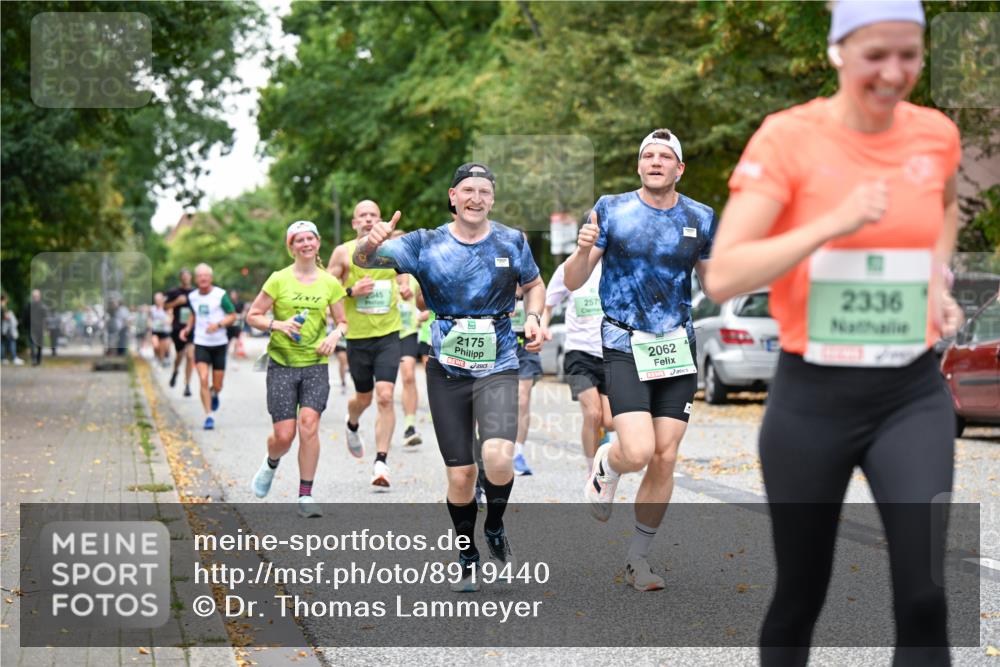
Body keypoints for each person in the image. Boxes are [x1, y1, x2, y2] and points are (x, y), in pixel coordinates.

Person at [704, 3, 961, 665]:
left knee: (927, 593)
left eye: (910, 54)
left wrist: (936, 279)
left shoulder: (934, 134)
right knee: (801, 592)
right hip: (811, 400)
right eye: (876, 55)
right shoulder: (788, 139)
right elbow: (724, 275)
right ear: (837, 51)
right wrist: (830, 223)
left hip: (911, 395)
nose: (894, 72)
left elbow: (945, 205)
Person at [353, 162, 546, 592]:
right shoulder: (425, 243)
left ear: (492, 199)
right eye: (468, 190)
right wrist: (372, 240)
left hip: (498, 360)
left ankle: (494, 524)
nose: (477, 198)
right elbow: (362, 260)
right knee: (461, 476)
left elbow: (534, 284)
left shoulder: (511, 240)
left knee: (498, 456)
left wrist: (533, 317)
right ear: (452, 196)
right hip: (447, 368)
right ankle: (466, 553)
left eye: (485, 191)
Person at [564, 128, 717, 592]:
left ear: (679, 168)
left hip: (677, 346)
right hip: (625, 343)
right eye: (647, 155)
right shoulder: (610, 209)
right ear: (639, 166)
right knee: (638, 450)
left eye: (665, 156)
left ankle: (638, 559)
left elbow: (714, 285)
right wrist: (583, 247)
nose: (655, 162)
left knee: (666, 456)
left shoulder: (701, 216)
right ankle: (608, 464)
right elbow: (573, 281)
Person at [247, 220, 348, 518]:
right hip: (282, 364)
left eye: (310, 239)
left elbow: (342, 321)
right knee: (284, 435)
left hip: (315, 364)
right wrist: (277, 324)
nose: (305, 244)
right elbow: (253, 315)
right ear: (291, 247)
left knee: (309, 425)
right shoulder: (278, 279)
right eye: (299, 240)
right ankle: (271, 462)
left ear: (318, 243)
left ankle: (306, 494)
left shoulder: (329, 282)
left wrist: (334, 336)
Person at [327, 200, 405, 489]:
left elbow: (405, 270)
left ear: (381, 220)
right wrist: (350, 290)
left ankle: (381, 463)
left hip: (388, 333)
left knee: (385, 396)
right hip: (357, 338)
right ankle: (352, 422)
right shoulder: (343, 252)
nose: (369, 219)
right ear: (354, 222)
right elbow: (324, 288)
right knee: (364, 398)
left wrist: (406, 283)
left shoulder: (393, 249)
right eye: (363, 215)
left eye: (374, 214)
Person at [544, 250, 614, 475]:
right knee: (593, 414)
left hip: (611, 354)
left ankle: (601, 437)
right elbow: (548, 303)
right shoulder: (571, 267)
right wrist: (542, 325)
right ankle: (593, 470)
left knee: (610, 421)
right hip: (579, 354)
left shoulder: (617, 266)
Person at [179, 264, 238, 430]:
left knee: (218, 385)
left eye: (206, 276)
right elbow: (193, 314)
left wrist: (218, 325)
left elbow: (233, 316)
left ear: (211, 278)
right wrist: (187, 328)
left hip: (219, 344)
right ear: (196, 279)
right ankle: (209, 416)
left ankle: (214, 393)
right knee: (203, 378)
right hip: (201, 343)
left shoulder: (220, 295)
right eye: (200, 276)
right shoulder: (192, 297)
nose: (203, 279)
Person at [391, 228, 424, 448]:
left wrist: (423, 310)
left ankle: (410, 425)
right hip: (383, 332)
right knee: (383, 388)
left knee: (409, 375)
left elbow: (426, 299)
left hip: (408, 330)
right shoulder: (379, 271)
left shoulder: (414, 272)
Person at [164, 269, 196, 396]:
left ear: (191, 277)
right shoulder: (174, 292)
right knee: (179, 355)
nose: (186, 278)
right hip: (178, 328)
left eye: (188, 275)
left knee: (190, 356)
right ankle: (175, 371)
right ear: (180, 278)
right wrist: (177, 302)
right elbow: (165, 306)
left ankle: (187, 385)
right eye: (183, 276)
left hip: (192, 328)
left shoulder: (195, 292)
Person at [22, 289, 46, 366]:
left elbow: (45, 318)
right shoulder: (41, 306)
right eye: (35, 296)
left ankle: (36, 359)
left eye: (36, 296)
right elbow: (25, 317)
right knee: (35, 344)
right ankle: (36, 359)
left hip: (37, 328)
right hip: (33, 328)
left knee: (36, 344)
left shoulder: (31, 306)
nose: (35, 297)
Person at [150, 292, 173, 368]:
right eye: (156, 299)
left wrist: (165, 322)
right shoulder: (152, 308)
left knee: (163, 349)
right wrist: (150, 324)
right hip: (155, 331)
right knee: (155, 346)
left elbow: (170, 319)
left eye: (159, 299)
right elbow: (149, 319)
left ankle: (162, 360)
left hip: (164, 331)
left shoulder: (167, 308)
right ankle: (157, 358)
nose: (157, 301)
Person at [226, 289, 246, 361]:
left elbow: (244, 312)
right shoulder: (228, 303)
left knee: (237, 340)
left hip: (238, 324)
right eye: (232, 294)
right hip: (230, 324)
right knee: (228, 340)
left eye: (234, 294)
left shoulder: (240, 303)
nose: (233, 296)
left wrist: (240, 316)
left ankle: (235, 353)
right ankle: (225, 353)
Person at [1, 294, 21, 365]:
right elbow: (6, 317)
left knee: (2, 343)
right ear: (5, 299)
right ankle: (12, 358)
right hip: (4, 329)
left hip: (3, 328)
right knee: (10, 342)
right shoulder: (2, 307)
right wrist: (11, 316)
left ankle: (3, 358)